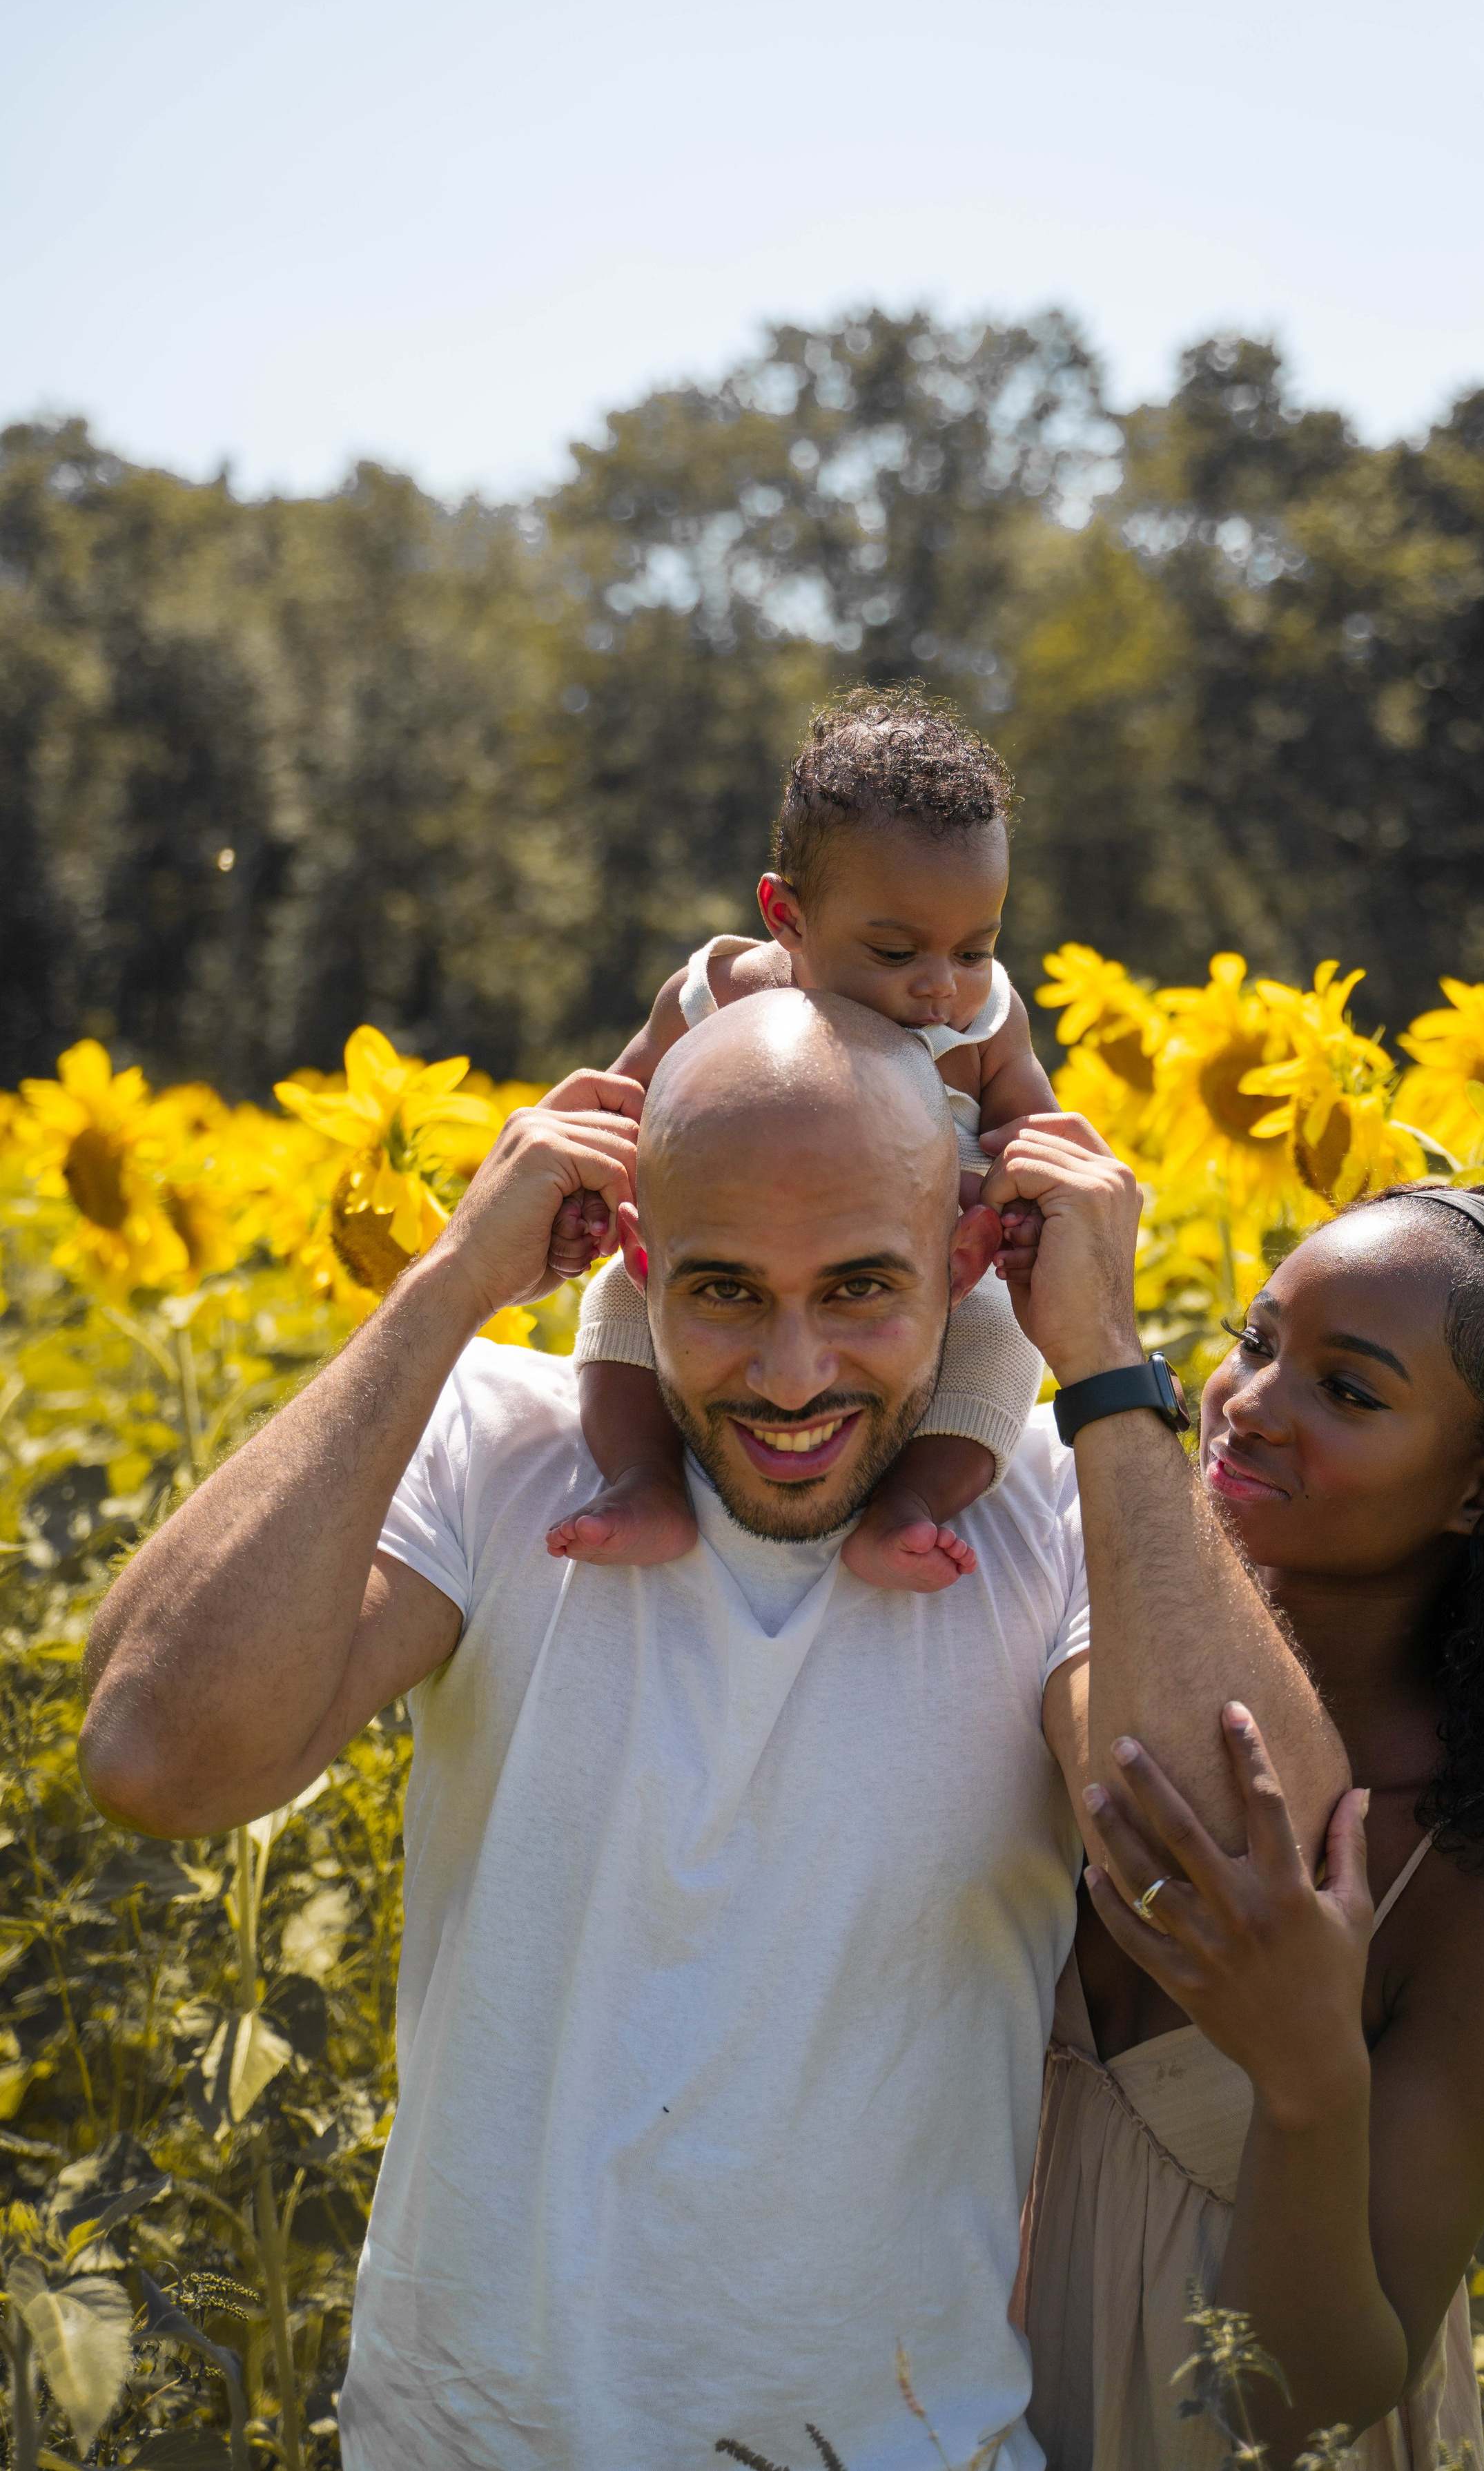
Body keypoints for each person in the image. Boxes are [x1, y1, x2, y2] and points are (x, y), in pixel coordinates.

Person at [77, 991, 1347, 2471]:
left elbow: (1243, 1877)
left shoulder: (1060, 1515)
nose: (794, 1373)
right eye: (727, 1289)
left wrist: (1108, 1363)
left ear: (963, 1252)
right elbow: (155, 1756)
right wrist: (446, 1281)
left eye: (862, 1286)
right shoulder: (496, 1445)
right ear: (632, 1255)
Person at [1022, 1181, 1484, 2470]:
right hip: (930, 2396)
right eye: (1258, 1340)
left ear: (1481, 1490)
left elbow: (1317, 2403)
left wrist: (1306, 2075)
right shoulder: (1065, 1622)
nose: (1251, 1405)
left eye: (1350, 1391)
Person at [547, 688, 1059, 1593]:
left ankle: (915, 1502)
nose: (941, 987)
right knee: (629, 1297)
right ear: (787, 916)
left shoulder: (985, 1029)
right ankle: (642, 1479)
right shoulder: (712, 996)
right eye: (897, 954)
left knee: (1002, 1337)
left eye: (975, 949)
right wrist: (577, 1171)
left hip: (926, 1276)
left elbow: (1031, 1139)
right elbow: (621, 1105)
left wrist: (1002, 1209)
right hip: (736, 1254)